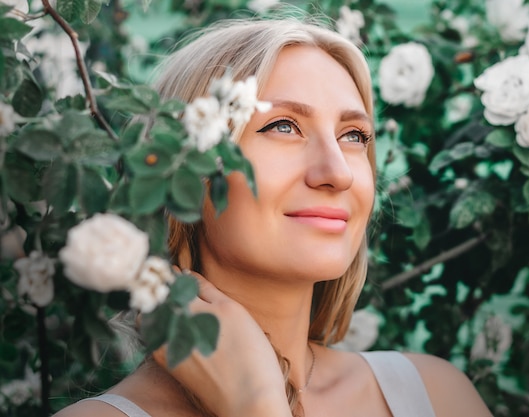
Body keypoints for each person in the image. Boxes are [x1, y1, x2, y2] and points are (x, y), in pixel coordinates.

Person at [55, 16, 493, 417]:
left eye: (354, 135)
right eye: (283, 126)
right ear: (183, 171)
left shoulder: (435, 395)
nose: (338, 172)